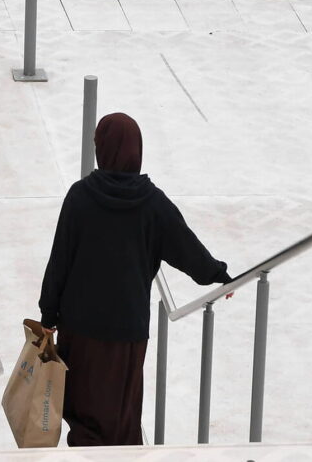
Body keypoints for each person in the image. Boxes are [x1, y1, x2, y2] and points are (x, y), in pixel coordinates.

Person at [38, 113, 233, 446]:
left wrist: (48, 315)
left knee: (84, 413)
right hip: (126, 333)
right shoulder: (152, 204)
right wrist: (217, 273)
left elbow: (60, 261)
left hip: (80, 328)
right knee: (122, 415)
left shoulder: (80, 197)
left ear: (101, 149)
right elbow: (187, 249)